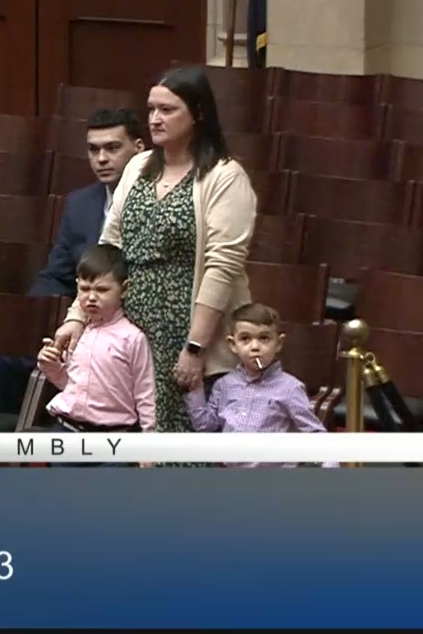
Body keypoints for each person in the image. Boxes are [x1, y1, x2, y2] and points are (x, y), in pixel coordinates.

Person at [51, 67, 257, 462]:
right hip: (131, 326)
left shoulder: (224, 176)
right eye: (151, 109)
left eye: (168, 109)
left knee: (185, 446)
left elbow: (222, 266)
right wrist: (77, 316)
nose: (156, 119)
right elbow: (109, 247)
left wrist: (194, 347)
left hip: (189, 328)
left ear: (197, 113)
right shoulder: (139, 166)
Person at [0, 108, 146, 414]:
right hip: (78, 317)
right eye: (93, 149)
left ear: (138, 149)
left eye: (112, 148)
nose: (101, 158)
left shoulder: (155, 201)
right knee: (5, 358)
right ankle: (14, 449)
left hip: (128, 328)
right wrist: (29, 320)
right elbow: (56, 274)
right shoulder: (80, 202)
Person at [184, 302, 335, 468]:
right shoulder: (225, 385)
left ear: (278, 343)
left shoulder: (290, 388)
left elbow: (314, 433)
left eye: (264, 338)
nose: (255, 347)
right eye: (245, 339)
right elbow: (206, 425)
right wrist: (195, 387)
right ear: (233, 344)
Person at [36, 244, 156, 451]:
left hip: (112, 440)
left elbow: (146, 395)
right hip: (67, 431)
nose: (91, 297)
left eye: (102, 290)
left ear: (124, 289)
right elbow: (70, 383)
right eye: (84, 289)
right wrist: (50, 364)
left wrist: (149, 441)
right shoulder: (77, 333)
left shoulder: (132, 338)